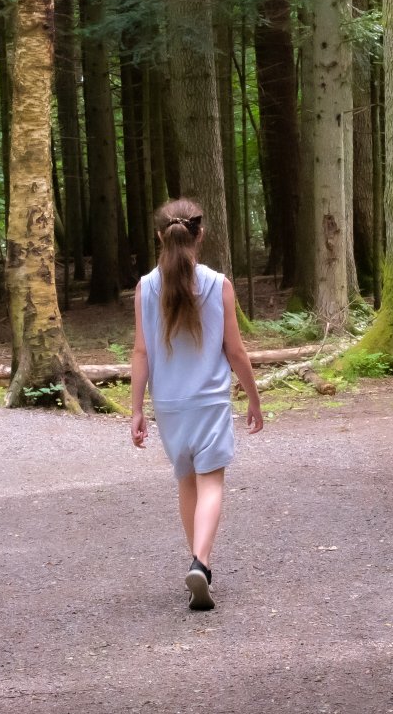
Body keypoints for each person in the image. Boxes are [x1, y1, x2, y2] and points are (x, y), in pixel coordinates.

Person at [130, 198, 264, 610]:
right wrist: (254, 399)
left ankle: (198, 567)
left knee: (187, 482)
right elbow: (236, 351)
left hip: (169, 406)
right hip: (209, 403)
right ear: (200, 234)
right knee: (211, 483)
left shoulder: (144, 287)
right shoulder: (217, 284)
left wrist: (136, 410)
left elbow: (140, 353)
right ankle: (201, 563)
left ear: (159, 236)